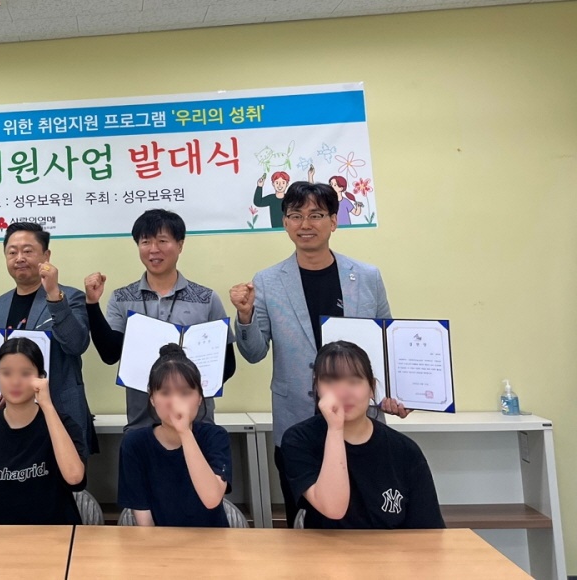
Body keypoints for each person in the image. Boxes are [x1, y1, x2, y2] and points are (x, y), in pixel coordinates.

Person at [230, 180, 408, 515]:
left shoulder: (367, 276)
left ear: (334, 221)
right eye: (296, 215)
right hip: (298, 422)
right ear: (285, 222)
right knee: (305, 519)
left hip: (361, 419)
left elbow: (387, 345)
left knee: (368, 514)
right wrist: (245, 316)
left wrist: (397, 394)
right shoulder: (267, 281)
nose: (305, 224)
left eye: (316, 215)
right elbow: (254, 353)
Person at [84, 209, 236, 430]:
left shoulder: (206, 298)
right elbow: (109, 354)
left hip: (197, 424)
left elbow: (227, 365)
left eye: (162, 241)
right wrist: (91, 304)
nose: (154, 249)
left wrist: (190, 391)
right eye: (145, 242)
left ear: (180, 245)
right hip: (141, 425)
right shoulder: (121, 298)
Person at [282, 341, 444, 529]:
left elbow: (428, 529)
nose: (343, 393)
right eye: (331, 381)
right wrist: (335, 429)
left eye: (353, 381)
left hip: (390, 547)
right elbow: (333, 508)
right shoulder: (298, 440)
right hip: (325, 546)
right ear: (317, 387)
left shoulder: (405, 450)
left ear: (372, 387)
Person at [0, 337, 86, 525]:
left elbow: (75, 478)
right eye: (6, 373)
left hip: (58, 536)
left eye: (25, 373)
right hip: (2, 539)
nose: (15, 381)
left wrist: (47, 406)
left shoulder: (62, 424)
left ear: (41, 377)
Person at [0, 222, 93, 450]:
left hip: (61, 413)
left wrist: (53, 294)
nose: (19, 258)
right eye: (12, 252)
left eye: (27, 251)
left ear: (46, 256)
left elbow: (76, 344)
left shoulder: (70, 297)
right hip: (12, 419)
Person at [117, 344, 231, 527]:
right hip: (159, 541)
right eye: (165, 393)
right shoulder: (134, 443)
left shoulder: (215, 437)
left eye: (185, 393)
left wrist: (184, 432)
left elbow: (212, 499)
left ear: (200, 398)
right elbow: (144, 519)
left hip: (212, 539)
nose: (175, 402)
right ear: (152, 398)